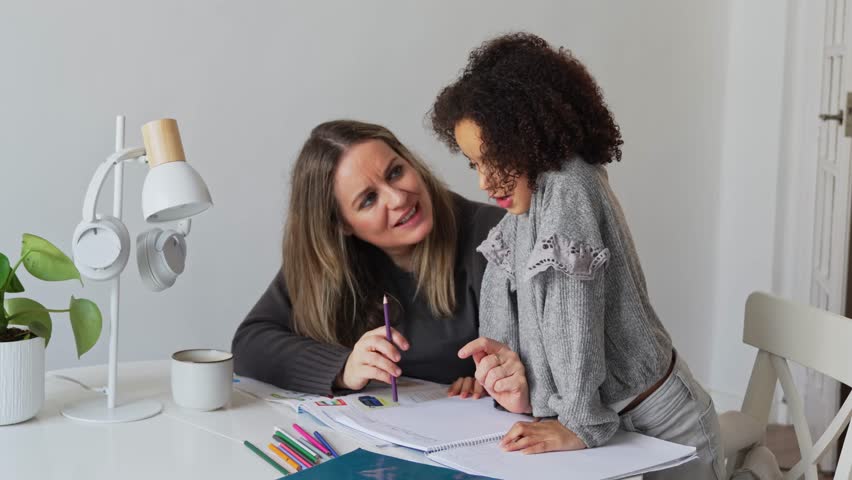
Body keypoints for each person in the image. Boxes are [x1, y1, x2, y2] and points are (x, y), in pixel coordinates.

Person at [430, 32, 725, 480]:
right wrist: (521, 389)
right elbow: (513, 303)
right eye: (475, 163)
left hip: (659, 424)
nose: (485, 183)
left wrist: (579, 422)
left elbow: (573, 311)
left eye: (496, 159)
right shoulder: (525, 207)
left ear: (532, 140)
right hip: (614, 421)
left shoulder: (569, 186)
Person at [231, 120, 504, 398]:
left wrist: (497, 379)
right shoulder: (330, 259)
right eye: (369, 199)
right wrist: (343, 368)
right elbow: (249, 344)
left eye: (396, 172)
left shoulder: (494, 235)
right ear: (341, 225)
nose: (398, 198)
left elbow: (537, 362)